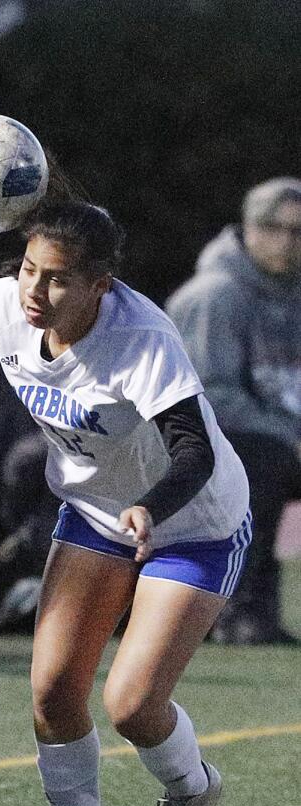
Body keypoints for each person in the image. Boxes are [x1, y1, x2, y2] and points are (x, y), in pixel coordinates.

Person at [0, 200, 251, 806]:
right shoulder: (7, 307)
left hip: (193, 520)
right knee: (52, 689)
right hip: (97, 515)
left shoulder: (141, 339)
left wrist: (149, 506)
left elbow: (192, 453)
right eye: (27, 270)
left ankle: (192, 787)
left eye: (57, 280)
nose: (34, 293)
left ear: (99, 287)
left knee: (133, 704)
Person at [166, 178, 301, 645]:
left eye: (298, 231)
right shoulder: (215, 295)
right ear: (247, 228)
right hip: (204, 442)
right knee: (262, 460)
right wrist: (290, 435)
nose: (286, 241)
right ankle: (239, 611)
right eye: (273, 227)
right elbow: (207, 396)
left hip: (280, 436)